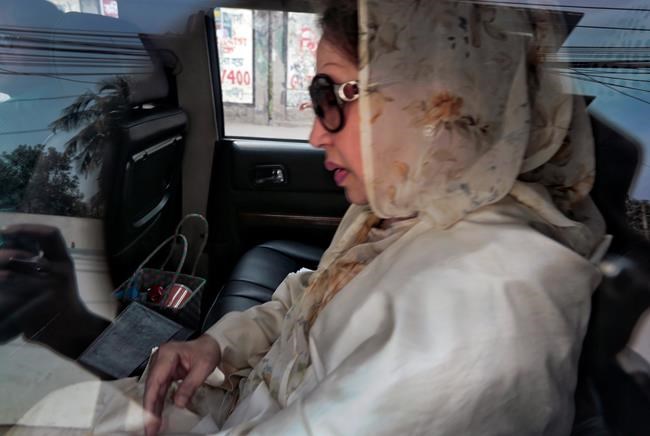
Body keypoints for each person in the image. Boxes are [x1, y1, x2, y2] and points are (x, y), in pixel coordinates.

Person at [4, 1, 608, 435]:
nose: (316, 134)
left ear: (433, 107)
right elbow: (311, 297)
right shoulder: (414, 207)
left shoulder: (485, 305)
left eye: (330, 96)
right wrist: (217, 344)